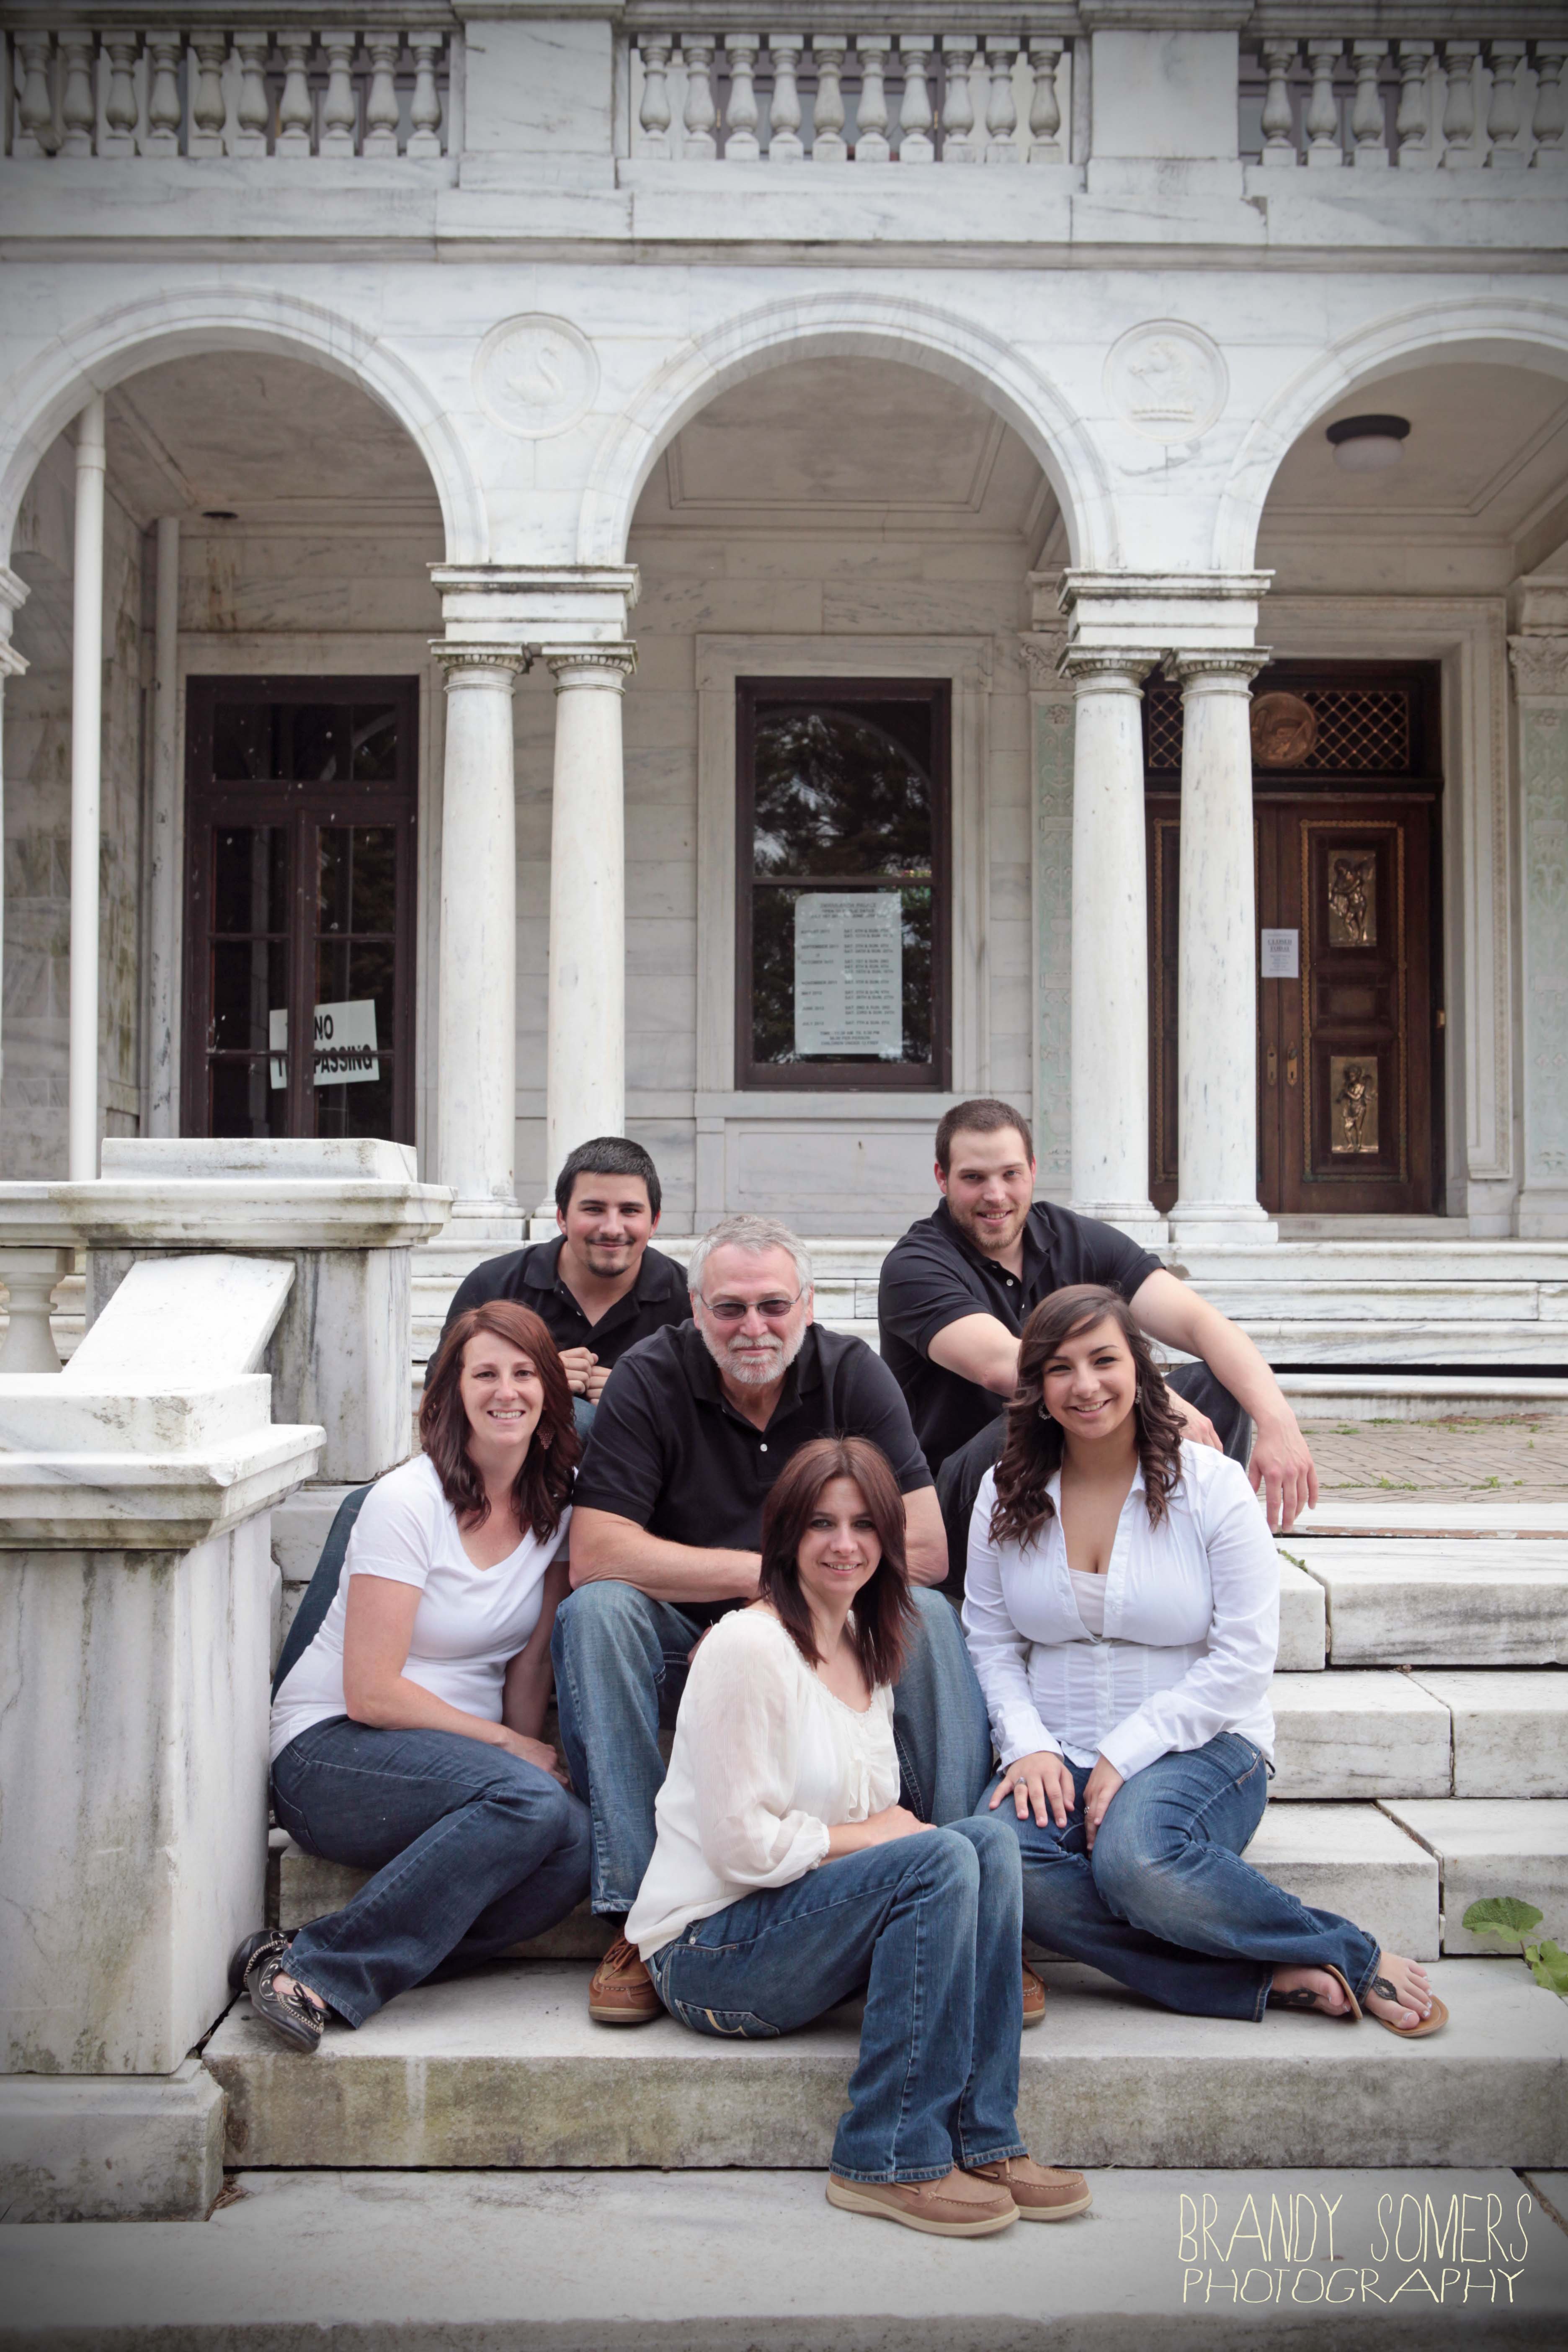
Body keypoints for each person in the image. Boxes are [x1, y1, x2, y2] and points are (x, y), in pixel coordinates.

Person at [627, 1435, 1092, 2236]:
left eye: (863, 1525)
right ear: (784, 1535)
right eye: (820, 1523)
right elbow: (741, 1847)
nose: (844, 1544)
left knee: (986, 1843)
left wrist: (879, 1836)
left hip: (796, 1922)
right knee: (937, 1853)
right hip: (708, 1952)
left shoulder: (861, 1645)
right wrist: (874, 1837)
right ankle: (884, 2154)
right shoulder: (748, 1647)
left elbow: (870, 1821)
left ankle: (984, 2138)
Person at [553, 1212, 1000, 2028]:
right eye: (729, 1308)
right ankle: (634, 1917)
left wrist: (798, 1601)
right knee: (597, 1614)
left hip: (829, 1638)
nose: (752, 1327)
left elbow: (925, 1550)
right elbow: (594, 1552)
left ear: (807, 1304)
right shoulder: (651, 1375)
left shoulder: (851, 1375)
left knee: (930, 1618)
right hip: (691, 1648)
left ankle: (958, 1885)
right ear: (696, 1309)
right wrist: (760, 1584)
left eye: (772, 1305)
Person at [964, 1283, 1444, 2040]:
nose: (1084, 1385)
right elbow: (990, 1641)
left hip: (1203, 1746)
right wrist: (1026, 1745)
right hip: (1057, 1747)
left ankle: (1348, 1952)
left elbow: (1244, 1659)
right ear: (1037, 1389)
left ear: (1140, 1369)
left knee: (1135, 1861)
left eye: (1103, 1360)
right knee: (994, 1857)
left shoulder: (1211, 1486)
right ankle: (1256, 1976)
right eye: (1059, 1368)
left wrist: (1126, 1753)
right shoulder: (1004, 1490)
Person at [232, 1301, 591, 2050]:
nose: (506, 1392)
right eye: (484, 1374)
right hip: (334, 1753)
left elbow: (529, 1662)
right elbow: (371, 1691)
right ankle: (315, 1973)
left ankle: (311, 1946)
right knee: (529, 1801)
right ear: (451, 1393)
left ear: (549, 1392)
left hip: (455, 1767)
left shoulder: (558, 1505)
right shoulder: (407, 1501)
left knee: (575, 1848)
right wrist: (509, 1751)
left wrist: (521, 1756)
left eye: (524, 1373)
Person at [877, 1098, 1319, 1590]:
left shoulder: (1072, 1239)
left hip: (1075, 1472)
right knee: (1040, 1409)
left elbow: (1201, 1324)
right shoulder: (915, 1266)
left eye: (1010, 1174)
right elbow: (1003, 1365)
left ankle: (1196, 1557)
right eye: (974, 1178)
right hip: (963, 1501)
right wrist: (1158, 1398)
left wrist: (1278, 1421)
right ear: (942, 1178)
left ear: (1033, 1171)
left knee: (1218, 1385)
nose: (995, 1195)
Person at [441, 1137, 689, 1416]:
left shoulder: (692, 1300)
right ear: (561, 1218)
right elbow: (437, 1406)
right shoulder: (491, 1286)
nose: (612, 1228)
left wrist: (642, 1396)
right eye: (593, 1209)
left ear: (654, 1222)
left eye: (630, 1211)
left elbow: (719, 1419)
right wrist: (533, 1380)